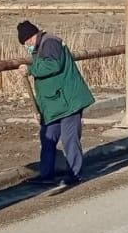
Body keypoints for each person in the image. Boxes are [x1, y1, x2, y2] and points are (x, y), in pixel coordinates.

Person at [17, 20, 94, 186]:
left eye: (25, 43)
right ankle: (47, 174)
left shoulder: (50, 42)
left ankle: (75, 174)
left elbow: (53, 65)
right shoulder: (40, 47)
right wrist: (40, 110)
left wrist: (30, 70)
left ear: (31, 38)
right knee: (48, 137)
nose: (26, 47)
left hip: (68, 101)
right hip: (55, 104)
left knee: (69, 138)